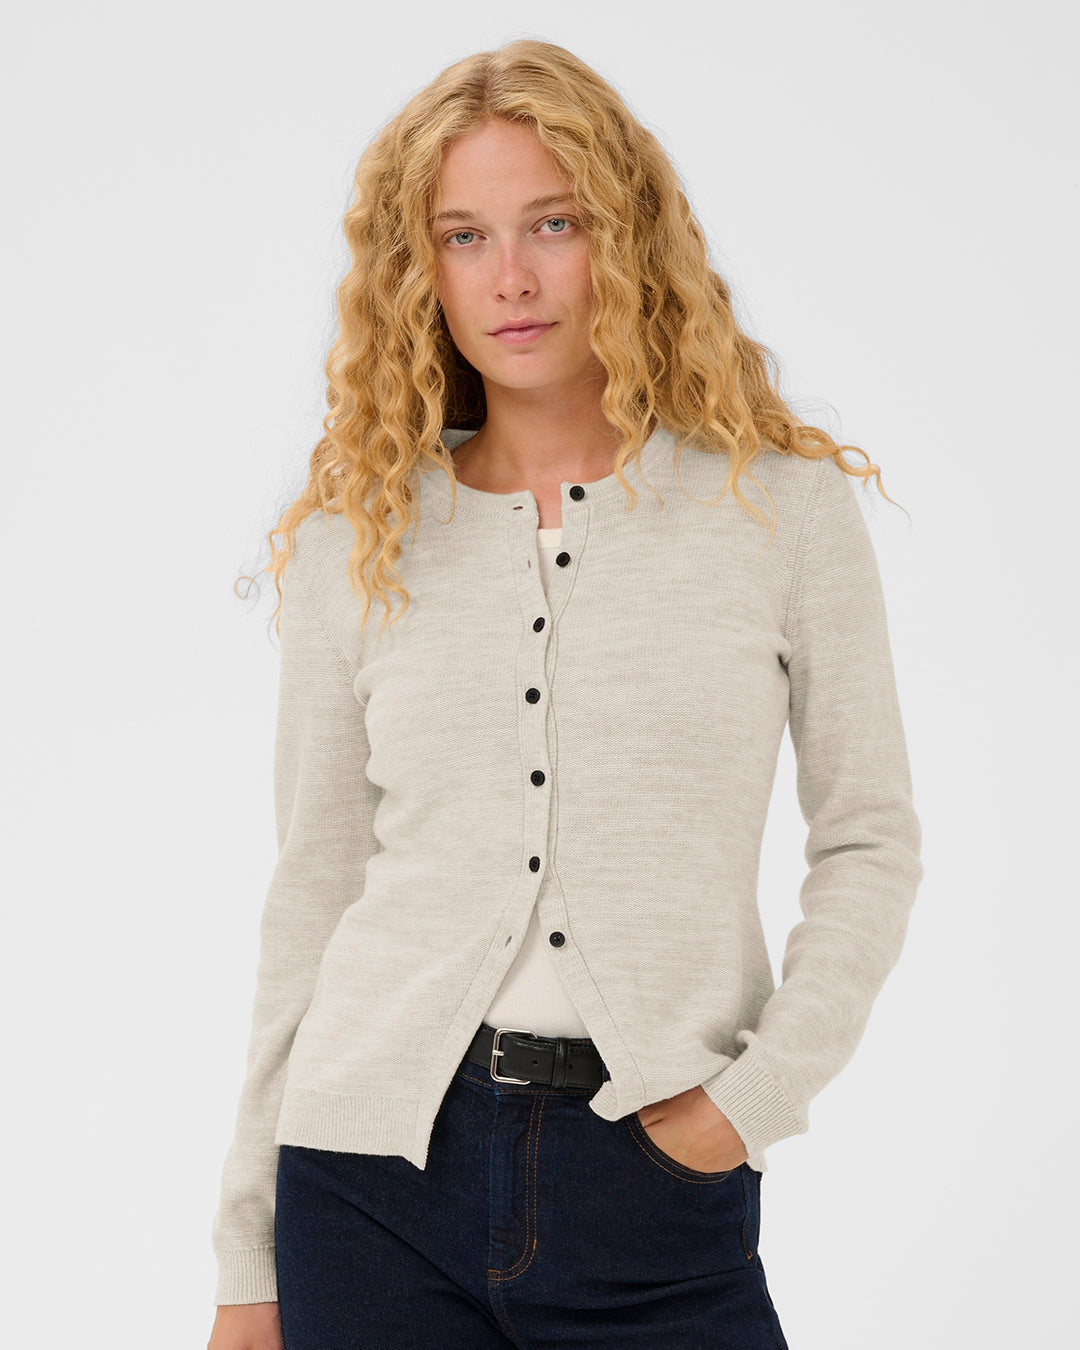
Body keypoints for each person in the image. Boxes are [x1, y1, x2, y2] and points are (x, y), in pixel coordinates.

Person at [207, 38, 923, 1350]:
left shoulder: (778, 512)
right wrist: (247, 1259)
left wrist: (752, 1101)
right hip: (367, 1184)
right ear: (420, 270)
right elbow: (314, 888)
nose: (513, 278)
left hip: (652, 1175)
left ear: (626, 237)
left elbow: (870, 837)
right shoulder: (357, 538)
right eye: (464, 237)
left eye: (553, 223)